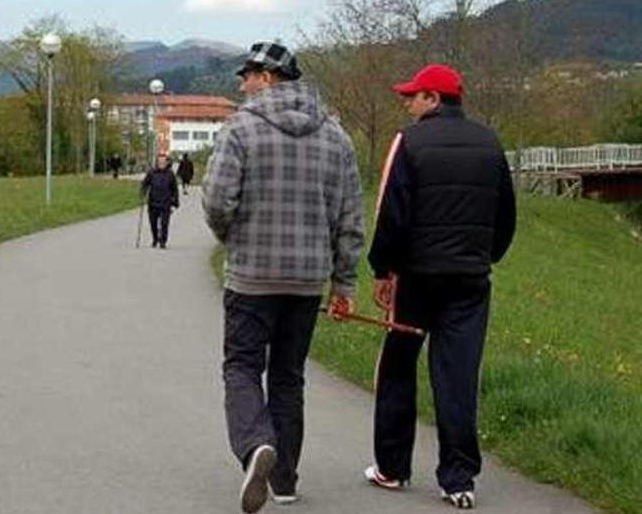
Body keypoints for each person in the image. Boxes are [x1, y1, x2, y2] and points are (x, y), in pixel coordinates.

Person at [202, 41, 364, 513]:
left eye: (247, 75)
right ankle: (286, 480)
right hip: (308, 279)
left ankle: (256, 446)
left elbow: (216, 201)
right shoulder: (337, 137)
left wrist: (231, 236)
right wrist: (344, 282)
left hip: (252, 275)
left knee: (242, 366)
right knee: (289, 377)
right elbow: (350, 217)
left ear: (268, 78)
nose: (242, 83)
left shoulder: (240, 129)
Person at [362, 64, 516, 510]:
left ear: (433, 99)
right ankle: (458, 478)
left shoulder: (408, 142)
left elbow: (392, 212)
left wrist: (382, 270)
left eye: (412, 96)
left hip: (416, 278)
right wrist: (486, 257)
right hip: (469, 281)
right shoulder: (490, 143)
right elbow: (506, 215)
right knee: (458, 375)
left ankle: (391, 467)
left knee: (397, 367)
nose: (407, 104)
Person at [140, 152, 180, 249]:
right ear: (157, 162)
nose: (161, 163)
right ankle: (155, 239)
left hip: (166, 202)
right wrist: (143, 192)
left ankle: (163, 241)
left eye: (163, 162)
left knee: (164, 224)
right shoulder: (152, 172)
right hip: (153, 202)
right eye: (160, 162)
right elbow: (145, 184)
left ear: (166, 163)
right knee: (153, 223)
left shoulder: (170, 174)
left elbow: (175, 188)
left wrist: (175, 200)